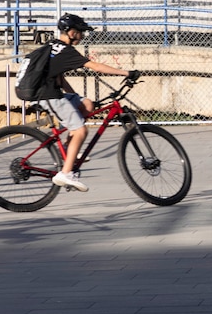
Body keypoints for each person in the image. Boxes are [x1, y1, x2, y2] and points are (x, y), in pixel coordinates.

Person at [42, 13, 139, 192]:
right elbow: (95, 66)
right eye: (80, 32)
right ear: (71, 32)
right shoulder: (66, 50)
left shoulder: (52, 46)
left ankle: (67, 147)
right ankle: (66, 173)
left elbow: (57, 76)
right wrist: (126, 73)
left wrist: (74, 96)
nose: (82, 35)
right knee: (81, 130)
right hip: (47, 94)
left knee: (87, 105)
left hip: (49, 90)